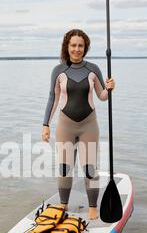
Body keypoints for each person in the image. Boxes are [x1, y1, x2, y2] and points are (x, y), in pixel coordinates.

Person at [41, 29, 115, 220]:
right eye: (73, 45)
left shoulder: (93, 69)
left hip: (88, 126)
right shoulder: (58, 71)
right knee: (65, 167)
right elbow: (52, 98)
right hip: (65, 126)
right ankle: (63, 204)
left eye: (80, 45)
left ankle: (92, 206)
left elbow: (102, 96)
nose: (77, 49)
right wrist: (45, 124)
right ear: (67, 46)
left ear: (85, 47)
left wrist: (109, 88)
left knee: (89, 167)